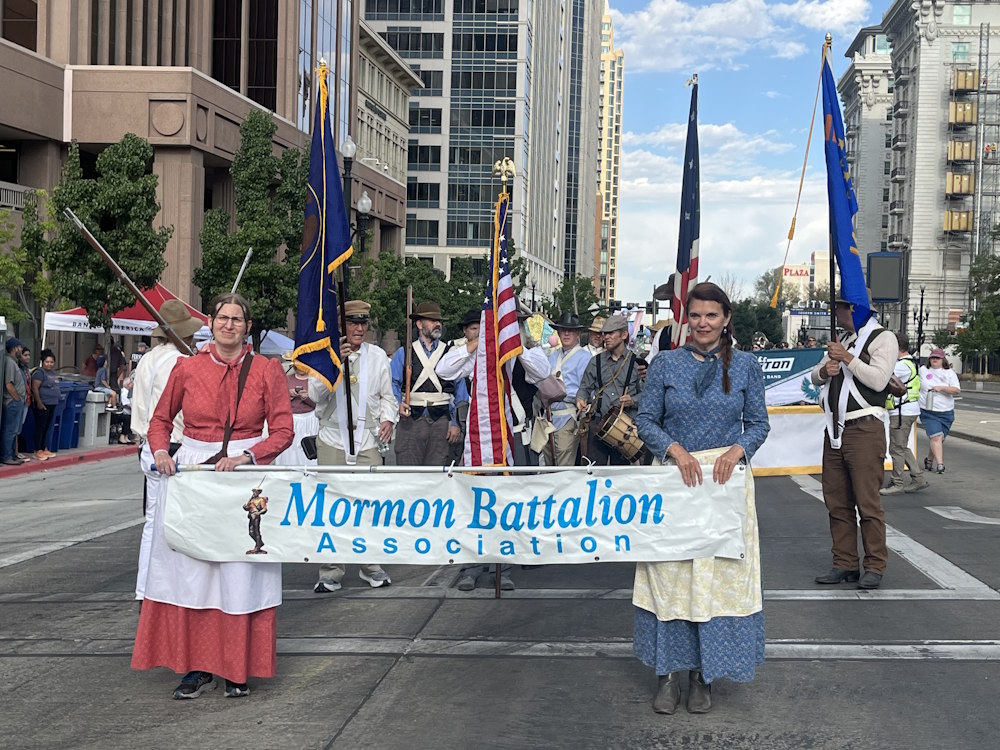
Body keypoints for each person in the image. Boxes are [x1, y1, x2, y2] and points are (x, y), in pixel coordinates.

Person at [132, 292, 293, 700]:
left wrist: (248, 456)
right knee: (194, 573)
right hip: (194, 478)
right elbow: (160, 421)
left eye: (237, 319)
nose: (229, 325)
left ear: (247, 327)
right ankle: (195, 667)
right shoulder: (186, 368)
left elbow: (282, 430)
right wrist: (163, 450)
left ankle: (237, 668)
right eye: (223, 318)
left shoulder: (266, 370)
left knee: (240, 575)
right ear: (211, 321)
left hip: (244, 477)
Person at [634, 282, 769, 715]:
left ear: (726, 319)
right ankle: (668, 675)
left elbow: (760, 424)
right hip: (675, 480)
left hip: (725, 486)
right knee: (669, 577)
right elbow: (646, 421)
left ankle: (703, 676)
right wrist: (674, 450)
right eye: (695, 316)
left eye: (712, 315)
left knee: (714, 580)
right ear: (685, 319)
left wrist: (737, 450)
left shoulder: (746, 365)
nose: (703, 323)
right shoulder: (666, 364)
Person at [435, 305, 551, 592]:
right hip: (480, 439)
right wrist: (479, 344)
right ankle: (472, 565)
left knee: (509, 505)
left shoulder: (524, 352)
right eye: (475, 327)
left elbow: (543, 370)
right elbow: (443, 370)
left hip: (514, 437)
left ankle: (505, 563)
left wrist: (513, 345)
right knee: (473, 504)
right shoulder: (471, 352)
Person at [309, 299, 397, 594]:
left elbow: (387, 396)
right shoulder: (324, 353)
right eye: (353, 323)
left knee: (369, 504)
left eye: (363, 323)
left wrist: (389, 420)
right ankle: (331, 570)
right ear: (341, 326)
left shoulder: (378, 356)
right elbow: (314, 394)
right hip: (333, 439)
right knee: (331, 505)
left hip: (367, 441)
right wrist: (335, 362)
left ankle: (370, 564)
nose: (359, 329)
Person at [811, 299, 897, 591]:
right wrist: (825, 372)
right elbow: (814, 376)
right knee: (837, 502)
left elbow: (878, 380)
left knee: (867, 502)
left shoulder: (882, 338)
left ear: (855, 309)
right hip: (835, 429)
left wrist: (847, 359)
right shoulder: (843, 340)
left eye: (841, 308)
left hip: (864, 428)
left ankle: (874, 565)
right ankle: (845, 562)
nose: (836, 312)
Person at [130, 299, 203, 601]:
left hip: (148, 443)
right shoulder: (180, 362)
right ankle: (167, 587)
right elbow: (184, 411)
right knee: (177, 521)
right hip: (172, 444)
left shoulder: (148, 358)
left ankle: (145, 588)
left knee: (153, 520)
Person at [390, 301, 461, 466]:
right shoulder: (404, 353)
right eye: (432, 320)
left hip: (441, 423)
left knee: (437, 479)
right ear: (419, 324)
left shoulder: (450, 354)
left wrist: (456, 423)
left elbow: (460, 392)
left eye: (439, 321)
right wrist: (398, 404)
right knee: (408, 475)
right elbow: (392, 384)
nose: (438, 324)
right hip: (410, 422)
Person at [576, 315, 645, 465]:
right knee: (594, 470)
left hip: (624, 427)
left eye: (610, 333)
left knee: (621, 477)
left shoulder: (637, 363)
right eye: (604, 333)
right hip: (598, 423)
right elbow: (584, 388)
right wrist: (580, 399)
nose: (605, 337)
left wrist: (633, 400)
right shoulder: (596, 361)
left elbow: (648, 396)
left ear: (624, 335)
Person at [541, 313, 590, 466]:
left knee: (564, 464)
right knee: (548, 462)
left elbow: (586, 388)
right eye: (563, 330)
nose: (566, 334)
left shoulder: (585, 357)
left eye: (571, 330)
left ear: (578, 334)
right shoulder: (553, 356)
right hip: (549, 415)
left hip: (568, 415)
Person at [881, 335, 927, 495]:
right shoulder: (910, 363)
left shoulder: (901, 366)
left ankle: (897, 482)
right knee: (901, 446)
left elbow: (882, 377)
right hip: (907, 410)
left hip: (901, 411)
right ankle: (918, 477)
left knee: (896, 448)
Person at [919, 347, 961, 475]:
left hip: (945, 411)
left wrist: (941, 388)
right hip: (928, 410)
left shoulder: (949, 373)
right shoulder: (923, 370)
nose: (934, 360)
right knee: (936, 437)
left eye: (937, 358)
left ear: (943, 360)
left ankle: (929, 460)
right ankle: (940, 464)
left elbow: (956, 390)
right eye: (932, 358)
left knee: (938, 439)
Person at [273, 357, 318, 467]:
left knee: (307, 448)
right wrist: (288, 395)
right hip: (291, 419)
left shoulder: (315, 381)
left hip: (310, 420)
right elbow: (276, 401)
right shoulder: (286, 379)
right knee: (291, 449)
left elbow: (320, 404)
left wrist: (307, 397)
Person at [30, 349, 61, 461]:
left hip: (52, 404)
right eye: (47, 362)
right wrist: (39, 402)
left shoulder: (52, 373)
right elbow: (35, 388)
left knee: (47, 427)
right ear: (43, 362)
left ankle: (44, 448)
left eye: (51, 362)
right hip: (43, 404)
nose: (49, 364)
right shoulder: (40, 373)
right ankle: (37, 450)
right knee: (40, 427)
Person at [2, 338, 27, 465]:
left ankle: (12, 454)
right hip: (12, 402)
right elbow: (9, 384)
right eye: (20, 347)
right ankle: (6, 456)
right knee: (10, 430)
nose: (21, 350)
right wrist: (17, 398)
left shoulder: (13, 362)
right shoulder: (10, 363)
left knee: (14, 430)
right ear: (15, 348)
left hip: (16, 402)